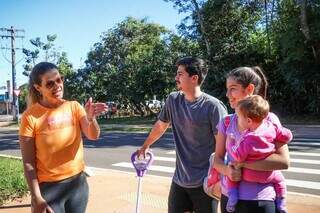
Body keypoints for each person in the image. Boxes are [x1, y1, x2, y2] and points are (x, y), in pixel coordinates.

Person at [137, 57, 227, 213]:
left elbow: (223, 144)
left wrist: (220, 177)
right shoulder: (173, 100)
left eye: (180, 74)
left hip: (205, 182)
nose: (176, 78)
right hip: (180, 181)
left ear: (194, 78)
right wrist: (146, 145)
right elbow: (161, 125)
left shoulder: (213, 107)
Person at [19, 62, 107, 213]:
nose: (57, 86)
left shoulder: (74, 107)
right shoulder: (30, 117)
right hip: (49, 189)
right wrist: (36, 197)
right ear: (38, 87)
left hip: (78, 185)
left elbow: (93, 135)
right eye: (50, 83)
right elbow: (28, 162)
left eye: (59, 80)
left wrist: (91, 118)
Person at [213, 66, 291, 213]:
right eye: (227, 89)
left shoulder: (269, 120)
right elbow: (217, 159)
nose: (227, 94)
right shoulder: (226, 122)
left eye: (233, 88)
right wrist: (227, 171)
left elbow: (284, 162)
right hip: (229, 199)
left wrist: (241, 163)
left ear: (249, 89)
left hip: (261, 201)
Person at [224, 95, 292, 212]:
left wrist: (231, 143)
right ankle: (281, 202)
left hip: (249, 175)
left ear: (249, 121)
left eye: (239, 117)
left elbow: (238, 157)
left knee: (233, 172)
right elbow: (286, 135)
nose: (237, 119)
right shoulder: (272, 127)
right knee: (280, 180)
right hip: (270, 175)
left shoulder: (249, 138)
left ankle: (233, 195)